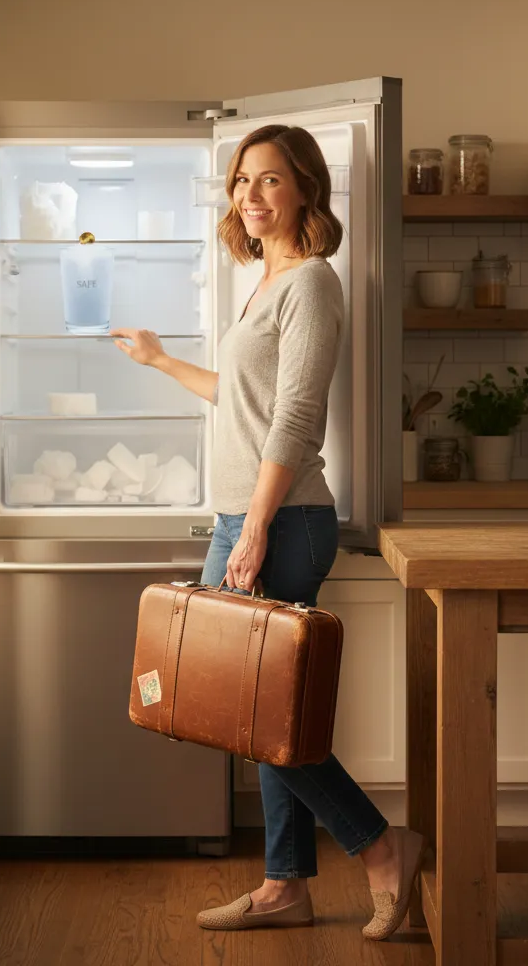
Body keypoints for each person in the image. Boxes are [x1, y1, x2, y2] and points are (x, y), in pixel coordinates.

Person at [111, 124, 425, 939]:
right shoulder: (264, 281)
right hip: (246, 519)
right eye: (242, 181)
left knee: (262, 712)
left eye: (270, 181)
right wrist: (161, 361)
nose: (251, 195)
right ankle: (286, 885)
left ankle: (385, 849)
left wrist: (252, 530)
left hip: (281, 523)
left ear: (305, 191)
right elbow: (246, 398)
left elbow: (296, 418)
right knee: (256, 715)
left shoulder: (312, 283)